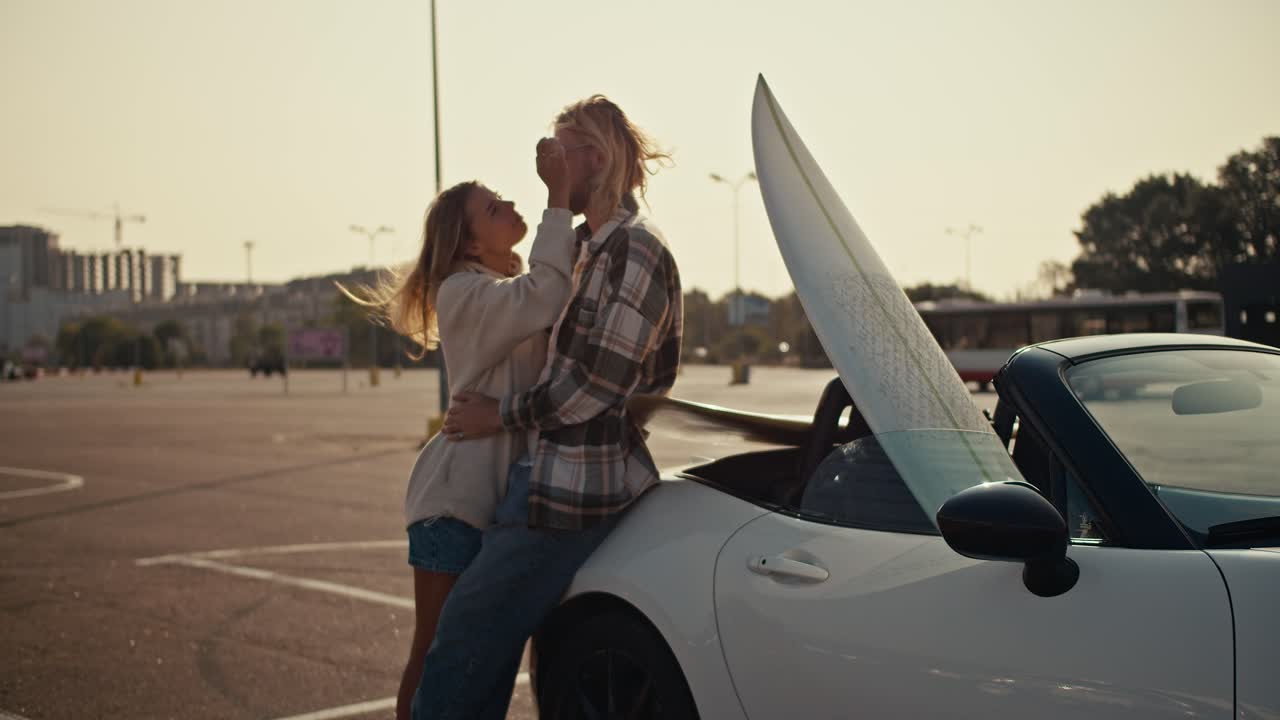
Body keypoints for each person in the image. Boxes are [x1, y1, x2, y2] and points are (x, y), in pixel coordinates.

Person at [414, 95, 683, 719]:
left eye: (559, 150)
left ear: (595, 157)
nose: (546, 162)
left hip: (569, 492)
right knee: (491, 655)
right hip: (542, 480)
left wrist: (498, 415)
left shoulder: (634, 251)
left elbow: (596, 385)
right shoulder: (590, 248)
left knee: (463, 650)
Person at [342, 140, 577, 720]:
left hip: (494, 503)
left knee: (482, 656)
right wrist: (557, 198)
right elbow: (549, 293)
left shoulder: (504, 287)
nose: (509, 204)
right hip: (454, 506)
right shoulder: (465, 292)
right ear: (471, 242)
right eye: (494, 207)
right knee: (437, 654)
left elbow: (549, 295)